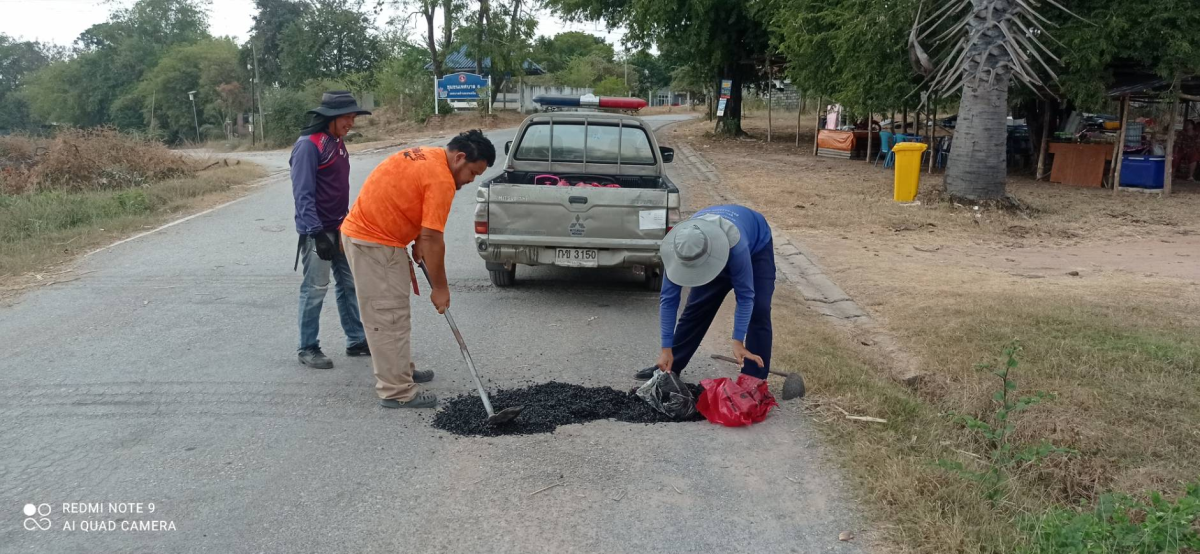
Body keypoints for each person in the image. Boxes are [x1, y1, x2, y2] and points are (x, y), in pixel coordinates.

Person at [340, 130, 496, 409]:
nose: (471, 180)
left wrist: (415, 237)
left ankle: (400, 371)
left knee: (394, 313)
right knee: (388, 316)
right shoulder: (441, 179)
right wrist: (440, 288)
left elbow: (407, 198)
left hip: (373, 235)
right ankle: (396, 391)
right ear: (459, 158)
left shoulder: (430, 156)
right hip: (374, 244)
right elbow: (434, 239)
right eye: (472, 172)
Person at [635, 205, 776, 382]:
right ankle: (670, 365)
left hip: (755, 248)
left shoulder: (737, 247)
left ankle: (753, 379)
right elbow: (668, 300)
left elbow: (746, 296)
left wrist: (737, 341)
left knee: (759, 308)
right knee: (697, 306)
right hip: (709, 247)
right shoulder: (677, 249)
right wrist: (665, 349)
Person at [291, 91, 372, 369]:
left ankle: (356, 340)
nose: (351, 122)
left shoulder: (336, 142)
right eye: (348, 117)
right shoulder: (308, 145)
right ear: (332, 117)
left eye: (353, 117)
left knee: (349, 284)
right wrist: (315, 233)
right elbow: (303, 194)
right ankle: (308, 347)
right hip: (318, 232)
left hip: (341, 227)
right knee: (315, 288)